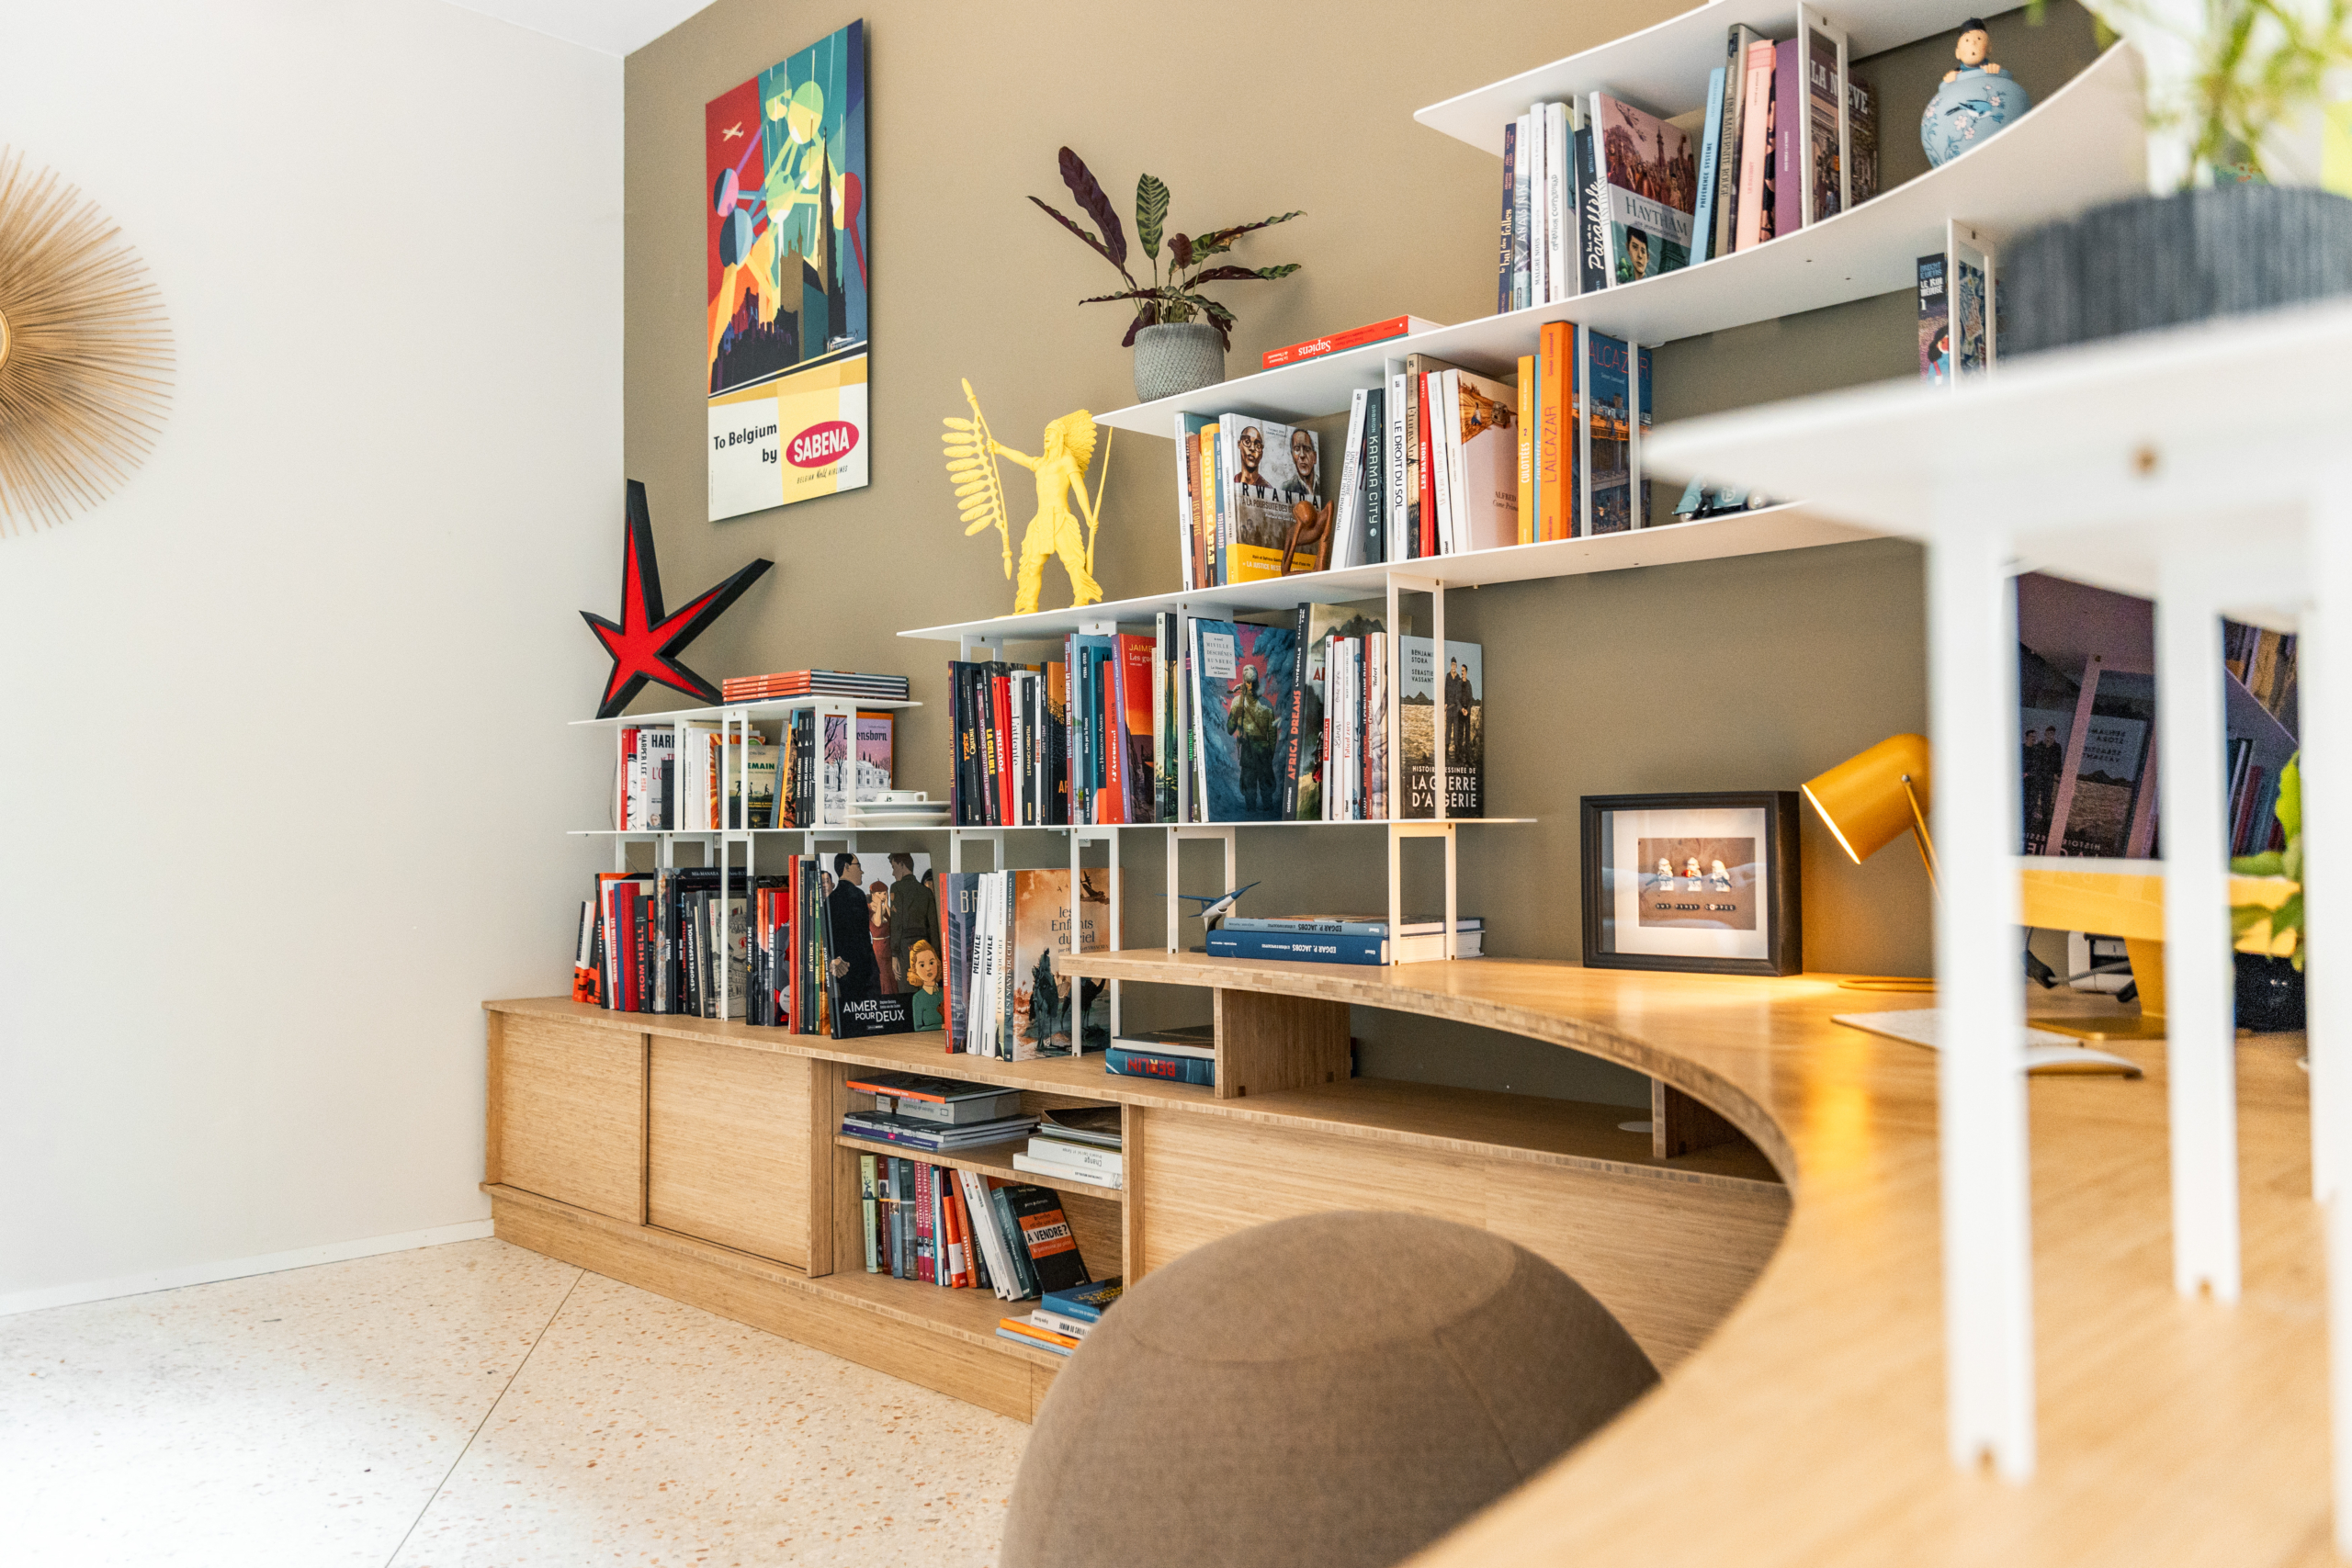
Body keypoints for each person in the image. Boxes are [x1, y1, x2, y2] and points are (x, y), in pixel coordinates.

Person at [1226, 663, 1281, 814]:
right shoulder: (1237, 702)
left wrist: (1270, 753)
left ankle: (1268, 820)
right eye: (1247, 682)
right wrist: (1237, 712)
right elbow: (1230, 729)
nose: (1250, 685)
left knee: (1267, 790)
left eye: (1253, 682)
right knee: (1249, 790)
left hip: (1263, 752)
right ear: (1244, 682)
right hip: (1248, 751)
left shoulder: (1266, 705)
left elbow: (1272, 732)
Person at [826, 852, 878, 1001]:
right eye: (858, 866)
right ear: (847, 867)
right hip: (860, 965)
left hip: (841, 966)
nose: (861, 871)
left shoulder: (830, 900)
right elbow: (862, 934)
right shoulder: (857, 895)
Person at [888, 852, 938, 993]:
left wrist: (894, 954)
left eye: (894, 867)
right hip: (926, 947)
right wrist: (936, 955)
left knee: (906, 991)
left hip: (905, 949)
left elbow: (896, 923)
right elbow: (933, 927)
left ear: (902, 865)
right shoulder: (926, 892)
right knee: (925, 989)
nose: (893, 873)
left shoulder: (897, 888)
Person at [906, 940, 944, 1032]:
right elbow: (918, 1028)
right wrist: (941, 1027)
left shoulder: (945, 992)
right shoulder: (918, 998)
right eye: (922, 965)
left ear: (937, 963)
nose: (928, 969)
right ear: (915, 969)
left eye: (931, 963)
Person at [867, 880, 895, 991]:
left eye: (885, 893)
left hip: (890, 947)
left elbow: (894, 923)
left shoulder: (885, 907)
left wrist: (887, 906)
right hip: (878, 949)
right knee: (883, 980)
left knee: (893, 979)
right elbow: (877, 923)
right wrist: (879, 903)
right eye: (881, 893)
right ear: (873, 894)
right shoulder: (868, 908)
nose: (883, 895)